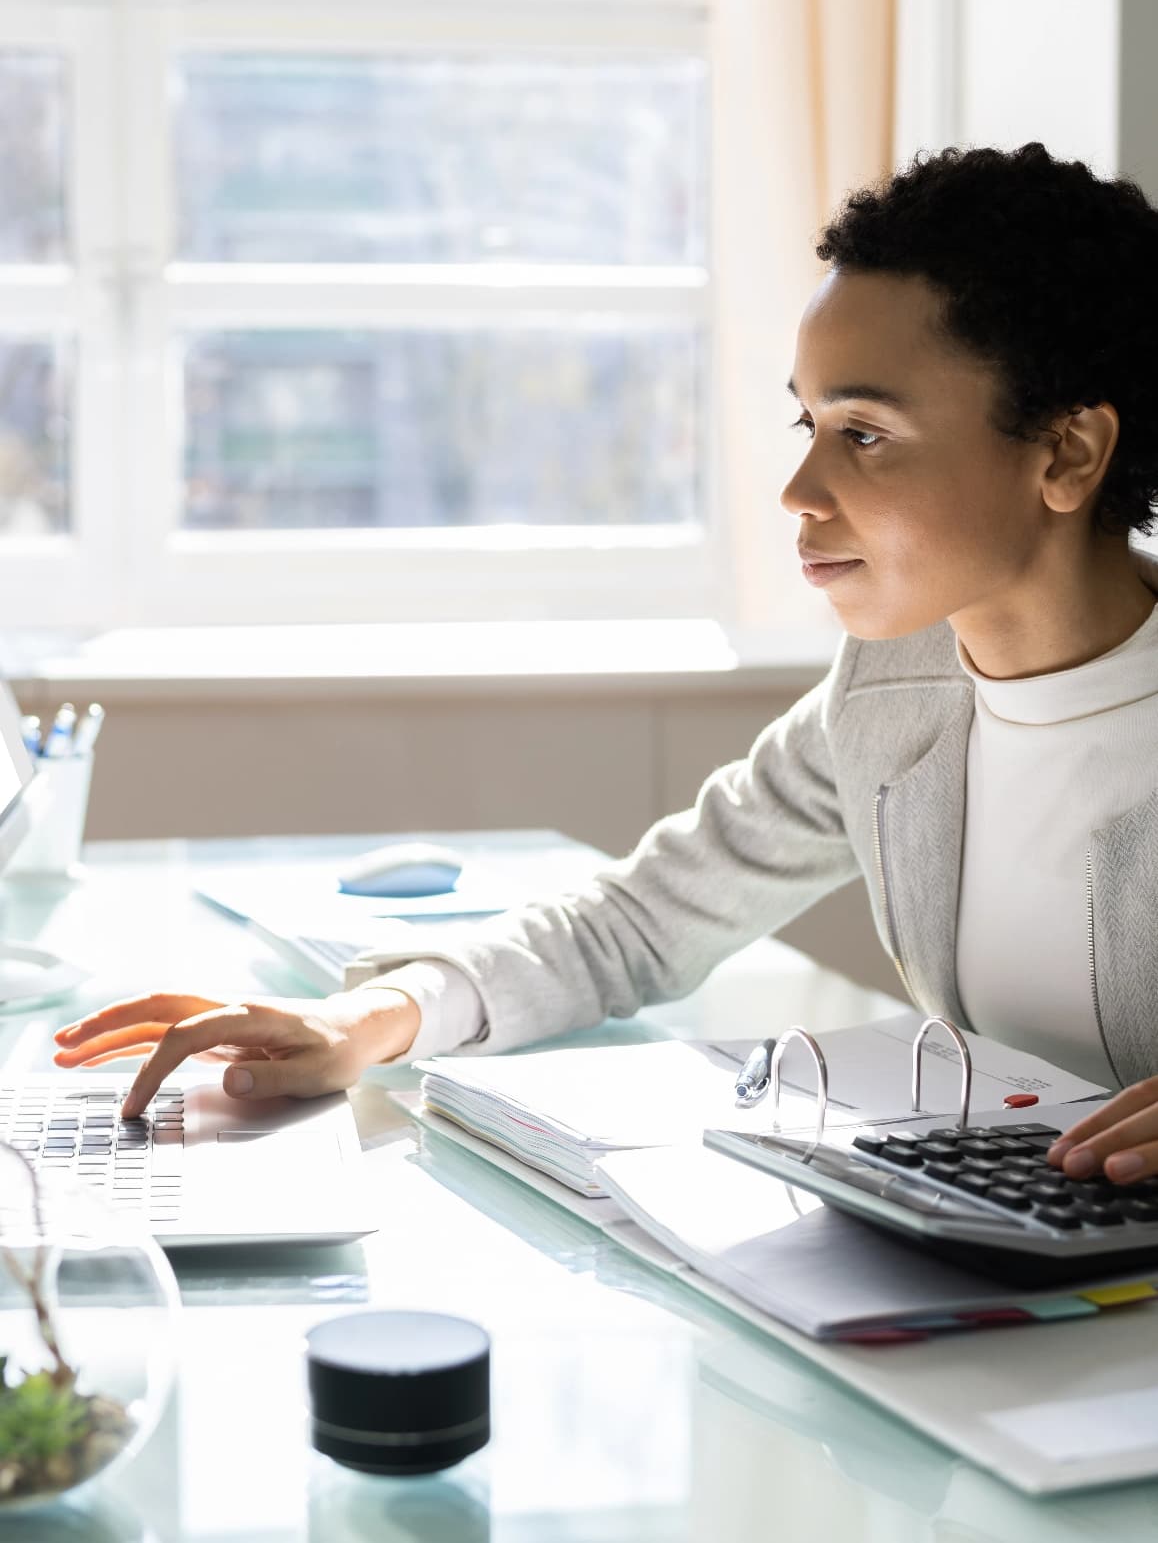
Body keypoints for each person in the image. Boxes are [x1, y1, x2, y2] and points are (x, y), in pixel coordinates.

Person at [54, 142, 1158, 1189]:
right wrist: (372, 1019)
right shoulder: (892, 692)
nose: (799, 490)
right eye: (806, 424)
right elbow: (639, 919)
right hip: (1026, 1273)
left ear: (1065, 453)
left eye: (863, 433)